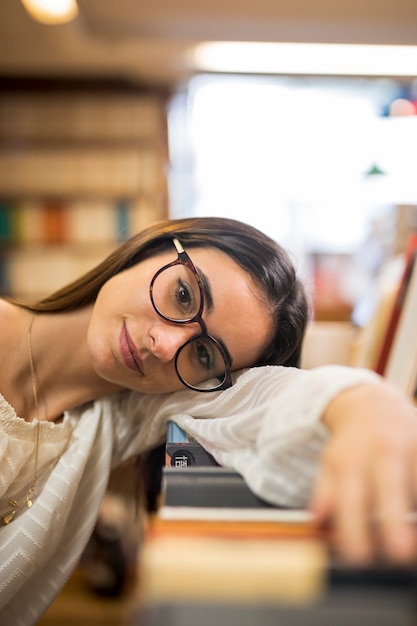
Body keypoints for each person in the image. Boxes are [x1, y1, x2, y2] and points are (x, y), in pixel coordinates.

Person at [0, 216, 416, 624]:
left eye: (203, 354)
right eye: (183, 295)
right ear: (155, 247)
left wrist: (368, 402)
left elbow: (262, 396)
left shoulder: (125, 414)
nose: (164, 345)